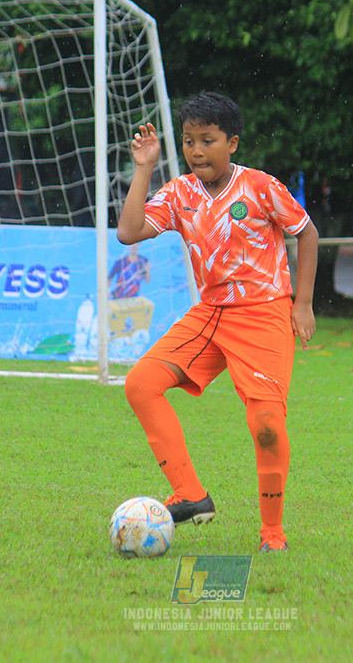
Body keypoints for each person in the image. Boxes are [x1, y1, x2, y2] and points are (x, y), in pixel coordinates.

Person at [117, 91, 319, 553]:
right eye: (189, 141)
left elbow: (306, 233)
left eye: (207, 140)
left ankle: (272, 533)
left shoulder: (261, 186)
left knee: (266, 421)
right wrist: (144, 168)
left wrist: (302, 303)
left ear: (233, 143)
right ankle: (190, 494)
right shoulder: (179, 192)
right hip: (210, 315)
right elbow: (129, 231)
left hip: (265, 312)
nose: (196, 150)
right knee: (140, 384)